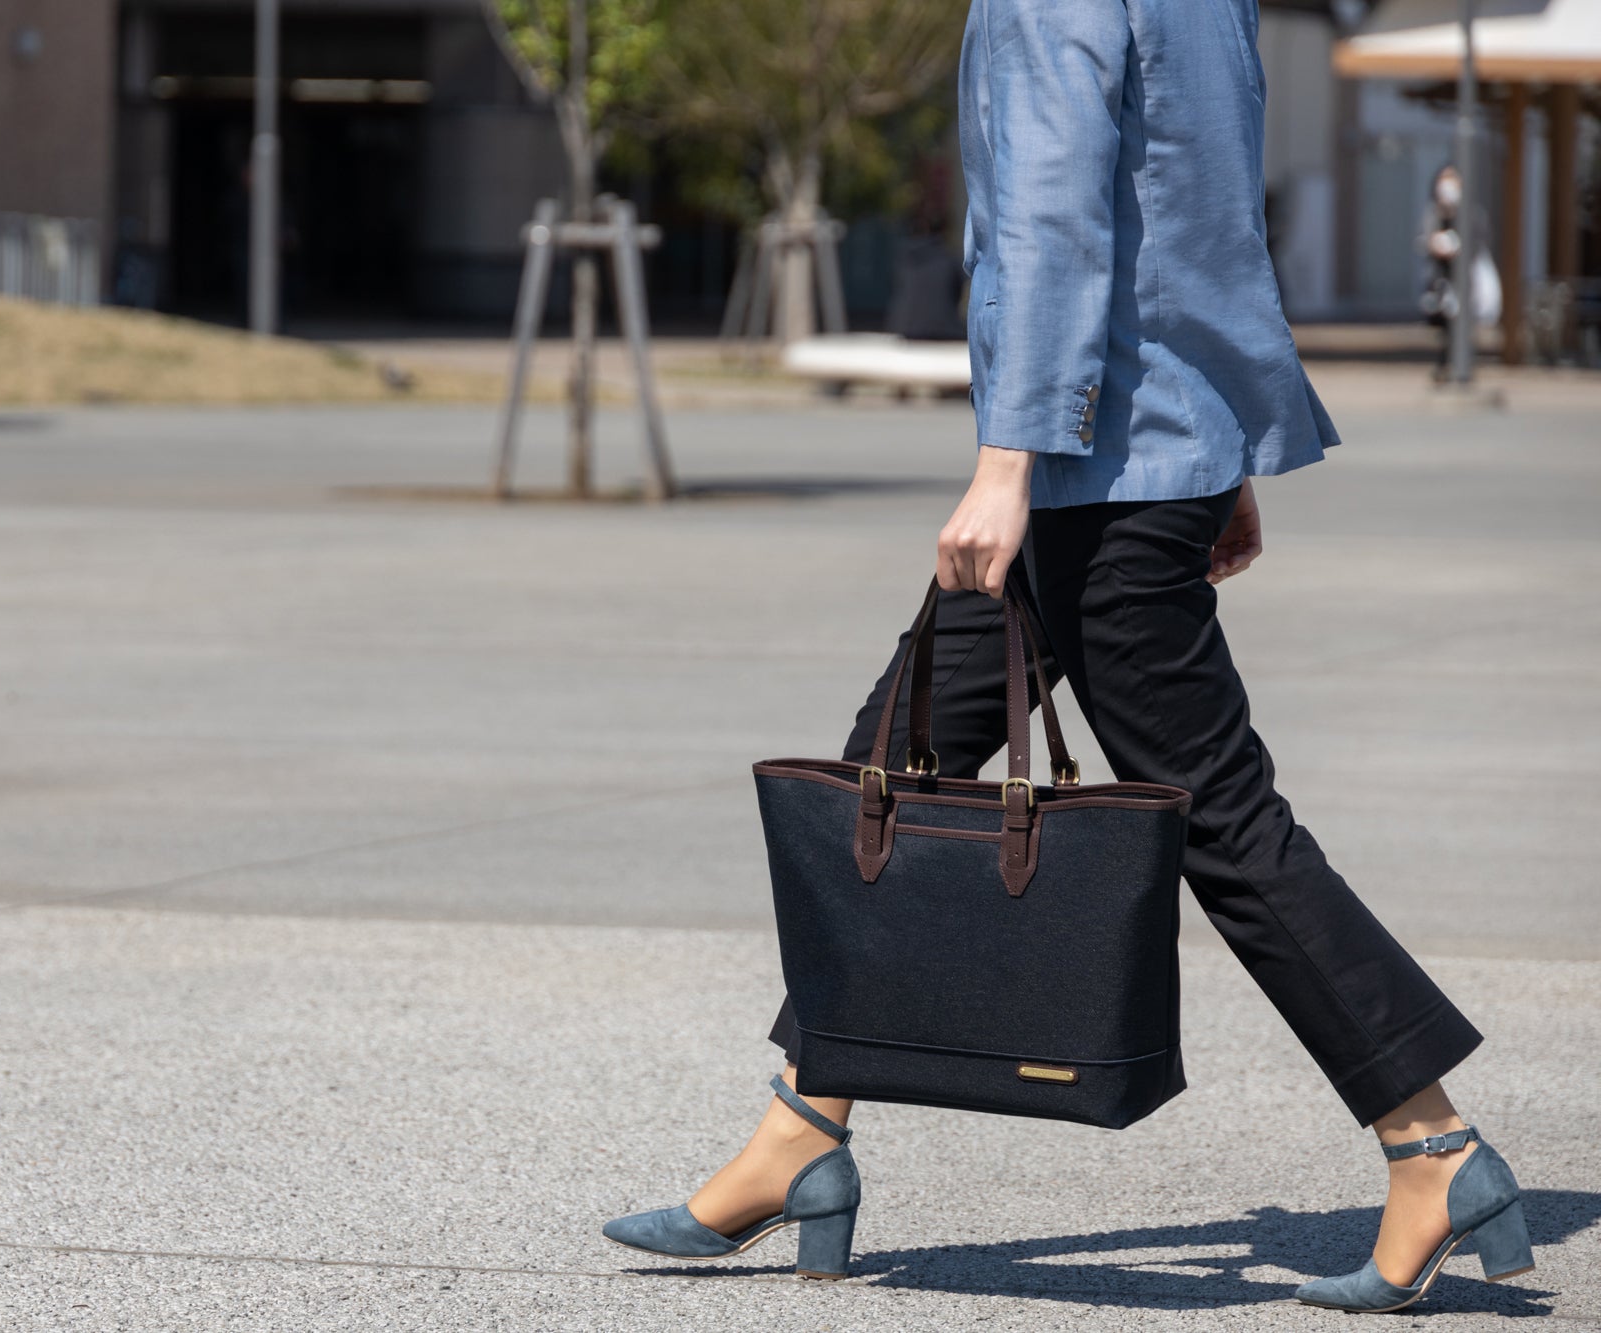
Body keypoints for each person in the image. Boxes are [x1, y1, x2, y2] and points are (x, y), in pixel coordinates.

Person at [600, 0, 1532, 1313]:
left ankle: (1431, 1146)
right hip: (1143, 450)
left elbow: (1053, 221)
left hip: (1085, 473)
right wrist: (1218, 452)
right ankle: (799, 1132)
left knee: (1220, 819)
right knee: (889, 773)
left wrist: (1005, 464)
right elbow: (1206, 214)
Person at [1418, 164, 1496, 382]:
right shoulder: (1434, 212)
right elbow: (1425, 239)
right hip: (1442, 279)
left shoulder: (1471, 212)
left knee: (1464, 323)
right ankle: (1447, 363)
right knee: (1446, 324)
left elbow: (1479, 241)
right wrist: (1436, 244)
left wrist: (1459, 247)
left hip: (1466, 279)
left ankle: (1462, 364)